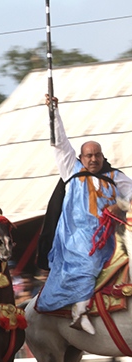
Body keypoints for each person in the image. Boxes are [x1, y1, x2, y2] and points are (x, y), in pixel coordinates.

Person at [34, 95, 132, 333]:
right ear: (80, 158)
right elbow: (59, 142)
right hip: (76, 237)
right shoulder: (71, 169)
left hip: (110, 237)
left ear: (103, 156)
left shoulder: (115, 176)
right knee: (89, 260)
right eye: (89, 155)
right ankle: (79, 311)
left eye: (97, 155)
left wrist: (120, 205)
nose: (93, 159)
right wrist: (53, 111)